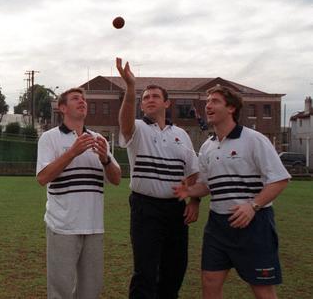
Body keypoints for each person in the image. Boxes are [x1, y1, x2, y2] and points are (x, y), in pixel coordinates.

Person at [173, 85, 289, 299]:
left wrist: (253, 206)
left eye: (215, 101)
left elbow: (280, 180)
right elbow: (207, 185)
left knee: (263, 290)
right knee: (209, 282)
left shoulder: (254, 139)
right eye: (207, 101)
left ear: (232, 108)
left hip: (255, 225)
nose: (208, 105)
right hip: (218, 226)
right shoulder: (208, 146)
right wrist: (189, 191)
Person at [115, 58, 200, 299]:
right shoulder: (138, 129)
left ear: (167, 103)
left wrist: (194, 201)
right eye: (145, 98)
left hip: (176, 210)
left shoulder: (181, 135)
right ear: (141, 107)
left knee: (174, 271)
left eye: (154, 96)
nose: (149, 99)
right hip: (146, 208)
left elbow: (193, 172)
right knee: (145, 273)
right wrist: (131, 89)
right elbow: (125, 121)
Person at [36, 87, 122, 298]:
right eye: (76, 98)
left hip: (93, 226)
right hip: (62, 226)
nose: (82, 101)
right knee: (61, 291)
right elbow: (42, 177)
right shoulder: (50, 138)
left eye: (84, 99)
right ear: (62, 108)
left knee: (90, 290)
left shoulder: (99, 139)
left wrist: (105, 159)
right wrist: (72, 152)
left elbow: (117, 179)